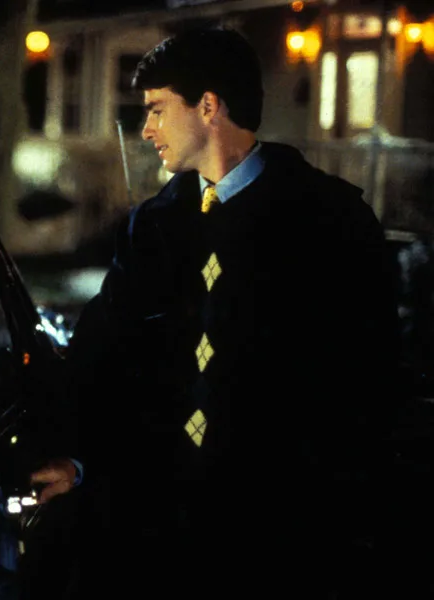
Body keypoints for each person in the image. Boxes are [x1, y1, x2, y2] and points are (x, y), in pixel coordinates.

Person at [45, 27, 400, 598]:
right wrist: (77, 460)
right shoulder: (153, 226)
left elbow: (367, 382)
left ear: (208, 106)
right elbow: (102, 352)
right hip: (163, 527)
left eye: (158, 109)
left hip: (284, 535)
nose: (146, 129)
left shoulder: (329, 220)